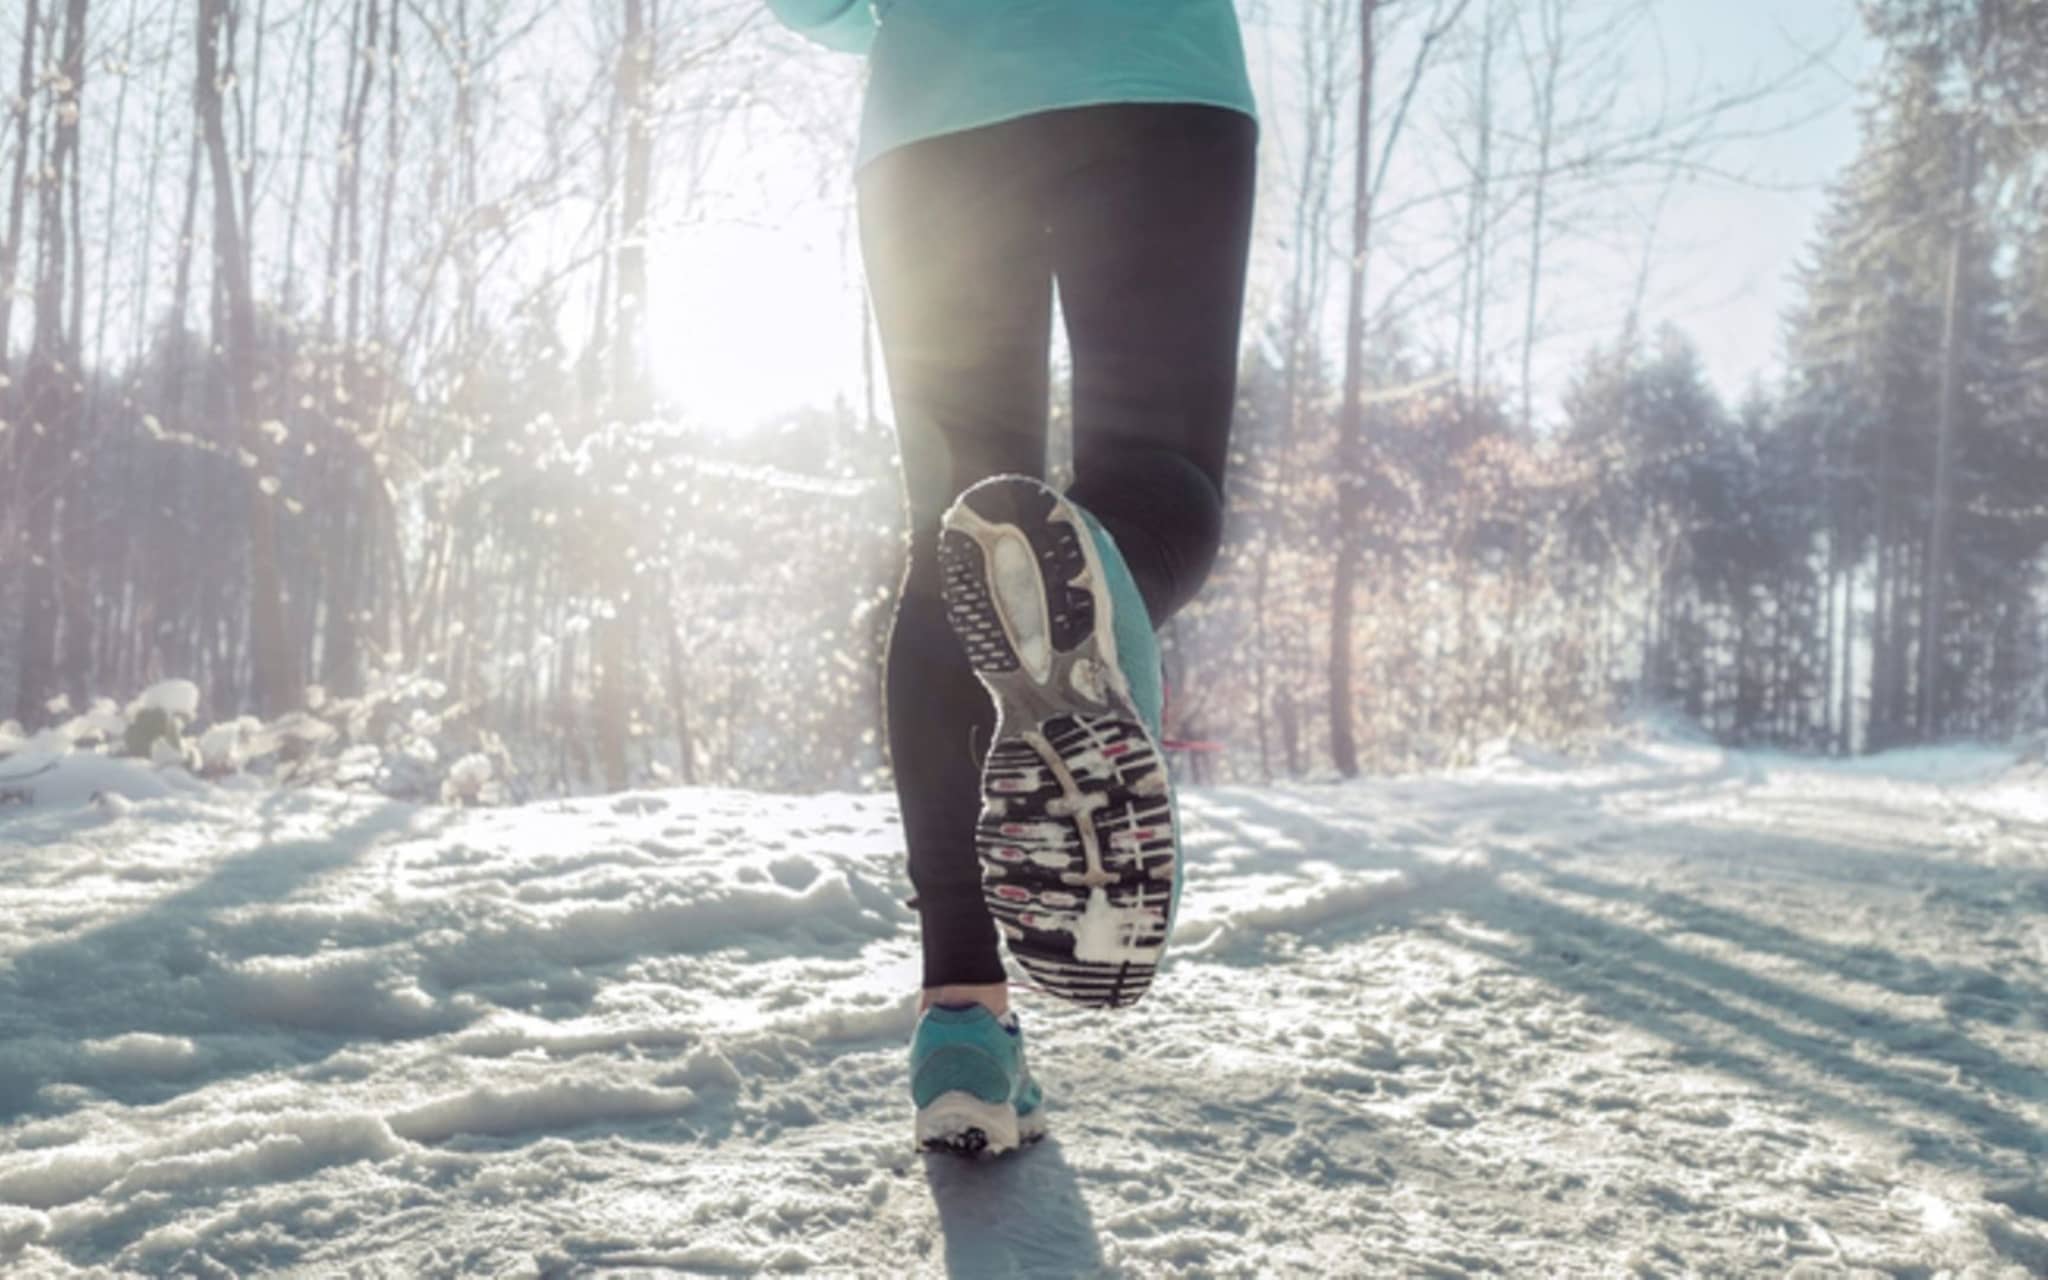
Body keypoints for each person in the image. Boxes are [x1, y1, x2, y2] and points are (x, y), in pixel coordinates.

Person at [767, 0, 1257, 1156]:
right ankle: (1089, 587)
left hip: (935, 117)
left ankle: (961, 1030)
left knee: (955, 543)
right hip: (1152, 73)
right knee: (1155, 480)